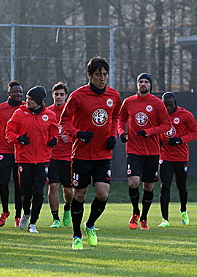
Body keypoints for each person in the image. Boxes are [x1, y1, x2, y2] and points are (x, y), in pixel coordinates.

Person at [60, 57, 121, 249]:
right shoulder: (78, 96)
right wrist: (78, 134)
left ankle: (90, 224)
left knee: (102, 194)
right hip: (81, 154)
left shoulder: (114, 96)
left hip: (103, 155)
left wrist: (113, 135)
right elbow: (64, 121)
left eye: (105, 74)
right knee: (79, 195)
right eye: (98, 75)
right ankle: (76, 235)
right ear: (89, 75)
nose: (102, 78)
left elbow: (116, 116)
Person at [118, 73, 170, 231]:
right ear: (137, 84)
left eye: (146, 82)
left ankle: (144, 218)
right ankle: (135, 212)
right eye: (140, 81)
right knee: (133, 182)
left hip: (152, 151)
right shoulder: (129, 102)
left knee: (148, 186)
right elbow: (121, 119)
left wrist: (149, 131)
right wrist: (122, 132)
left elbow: (166, 125)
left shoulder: (157, 103)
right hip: (133, 149)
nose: (143, 84)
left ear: (150, 85)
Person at [6, 86, 58, 234]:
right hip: (24, 159)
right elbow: (9, 132)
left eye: (31, 99)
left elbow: (54, 134)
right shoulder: (19, 114)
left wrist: (53, 140)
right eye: (27, 98)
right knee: (26, 192)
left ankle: (33, 223)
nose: (27, 101)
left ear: (40, 101)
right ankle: (26, 212)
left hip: (42, 159)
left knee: (39, 192)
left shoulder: (50, 115)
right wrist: (19, 138)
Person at [157, 92, 197, 227]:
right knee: (165, 187)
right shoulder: (160, 116)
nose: (168, 108)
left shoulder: (186, 115)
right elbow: (155, 131)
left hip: (181, 157)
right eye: (165, 106)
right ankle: (165, 219)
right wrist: (159, 141)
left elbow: (196, 132)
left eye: (170, 105)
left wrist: (180, 140)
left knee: (181, 187)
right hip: (165, 157)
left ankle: (183, 210)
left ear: (175, 103)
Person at [0, 80, 24, 227]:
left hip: (21, 152)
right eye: (16, 91)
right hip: (5, 151)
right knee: (3, 183)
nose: (18, 94)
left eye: (20, 92)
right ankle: (5, 211)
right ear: (9, 93)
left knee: (19, 185)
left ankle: (18, 215)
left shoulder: (25, 108)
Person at [46, 82, 73, 229]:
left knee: (68, 191)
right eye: (56, 94)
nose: (59, 97)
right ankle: (55, 218)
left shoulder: (71, 113)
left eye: (62, 94)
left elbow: (78, 133)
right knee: (53, 186)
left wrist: (68, 139)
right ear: (52, 95)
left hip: (69, 157)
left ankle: (67, 207)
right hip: (52, 157)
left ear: (66, 96)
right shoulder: (48, 112)